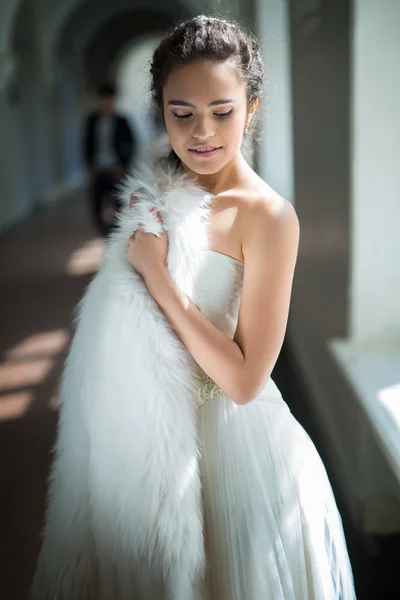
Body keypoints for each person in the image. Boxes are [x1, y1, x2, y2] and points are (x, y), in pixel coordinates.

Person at [33, 16, 356, 600]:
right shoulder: (156, 193)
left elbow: (244, 379)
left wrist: (160, 279)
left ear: (251, 108)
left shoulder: (268, 217)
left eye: (223, 111)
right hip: (144, 440)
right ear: (162, 112)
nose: (202, 132)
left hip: (235, 450)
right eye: (182, 113)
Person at [84, 82, 136, 235]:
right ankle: (103, 232)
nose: (107, 103)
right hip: (98, 169)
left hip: (116, 169)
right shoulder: (92, 120)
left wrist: (123, 165)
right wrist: (89, 164)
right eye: (104, 99)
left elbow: (132, 144)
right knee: (97, 204)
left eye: (110, 99)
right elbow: (86, 143)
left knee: (117, 203)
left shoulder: (122, 121)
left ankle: (115, 231)